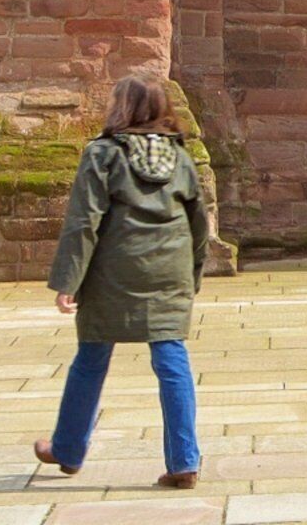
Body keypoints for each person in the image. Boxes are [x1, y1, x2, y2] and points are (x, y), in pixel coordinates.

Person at [32, 75, 214, 489]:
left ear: (121, 108)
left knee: (91, 359)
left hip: (111, 272)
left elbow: (84, 221)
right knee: (172, 361)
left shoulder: (102, 154)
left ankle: (68, 448)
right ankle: (184, 461)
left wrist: (68, 281)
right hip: (169, 270)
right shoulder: (180, 157)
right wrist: (193, 274)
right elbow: (198, 223)